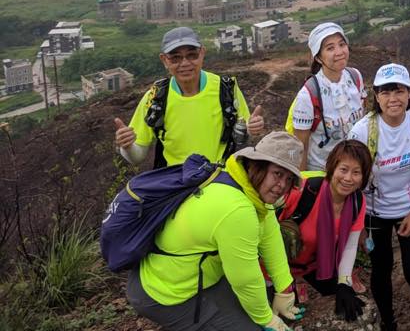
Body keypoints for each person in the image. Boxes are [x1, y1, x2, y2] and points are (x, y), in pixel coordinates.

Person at [126, 131, 304, 331]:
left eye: (289, 179)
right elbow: (244, 279)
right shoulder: (237, 209)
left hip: (191, 277)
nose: (282, 185)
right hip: (164, 292)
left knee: (256, 303)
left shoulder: (241, 185)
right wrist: (266, 320)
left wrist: (285, 288)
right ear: (258, 165)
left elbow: (270, 236)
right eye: (277, 174)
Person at [348, 63, 410, 331]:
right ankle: (389, 322)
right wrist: (359, 226)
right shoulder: (362, 133)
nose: (393, 99)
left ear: (409, 93)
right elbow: (352, 182)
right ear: (376, 96)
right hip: (375, 212)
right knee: (381, 269)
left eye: (398, 91)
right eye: (385, 92)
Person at [114, 26, 265, 168]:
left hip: (219, 179)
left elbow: (243, 137)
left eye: (192, 55)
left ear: (202, 53)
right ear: (164, 60)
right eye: (175, 58)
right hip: (177, 185)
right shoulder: (155, 98)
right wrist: (127, 147)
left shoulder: (226, 89)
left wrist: (253, 131)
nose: (185, 63)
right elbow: (137, 157)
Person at [273, 139, 372, 321]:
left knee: (336, 294)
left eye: (356, 172)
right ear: (332, 168)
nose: (348, 178)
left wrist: (344, 283)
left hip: (312, 265)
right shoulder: (302, 190)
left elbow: (350, 246)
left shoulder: (357, 202)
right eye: (343, 169)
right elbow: (263, 228)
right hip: (271, 267)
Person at [286, 22, 366, 172]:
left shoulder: (355, 77)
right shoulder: (308, 95)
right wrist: (304, 186)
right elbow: (300, 148)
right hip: (323, 176)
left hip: (356, 169)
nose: (339, 52)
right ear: (318, 57)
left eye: (342, 44)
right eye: (330, 48)